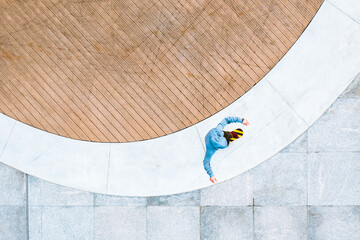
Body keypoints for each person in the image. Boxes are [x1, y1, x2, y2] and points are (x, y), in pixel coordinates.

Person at [203, 116, 250, 183]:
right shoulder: (211, 149)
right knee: (227, 138)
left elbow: (226, 119)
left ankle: (229, 135)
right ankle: (229, 137)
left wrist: (241, 120)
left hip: (214, 133)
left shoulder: (218, 130)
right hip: (209, 137)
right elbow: (206, 162)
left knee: (228, 136)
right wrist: (211, 175)